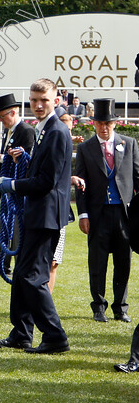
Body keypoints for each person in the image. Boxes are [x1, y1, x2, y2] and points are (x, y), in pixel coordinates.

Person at [0, 79, 72, 354]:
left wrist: (11, 184)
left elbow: (46, 181)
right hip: (37, 212)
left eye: (44, 100)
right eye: (34, 100)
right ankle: (22, 333)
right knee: (24, 273)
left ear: (55, 101)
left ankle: (55, 335)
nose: (38, 105)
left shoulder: (57, 132)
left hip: (47, 214)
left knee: (32, 277)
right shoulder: (43, 129)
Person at [75, 98, 139, 323]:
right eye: (100, 123)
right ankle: (98, 307)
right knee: (97, 262)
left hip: (124, 215)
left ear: (115, 123)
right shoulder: (85, 148)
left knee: (124, 262)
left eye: (108, 123)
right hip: (98, 214)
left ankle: (121, 308)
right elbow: (80, 184)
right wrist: (83, 214)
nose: (104, 127)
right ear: (94, 124)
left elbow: (138, 179)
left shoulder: (129, 144)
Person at [0, 94, 35, 277]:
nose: (1, 121)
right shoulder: (8, 131)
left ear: (13, 112)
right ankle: (2, 264)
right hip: (6, 187)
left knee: (14, 227)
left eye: (3, 116)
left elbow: (26, 159)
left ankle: (11, 264)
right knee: (4, 224)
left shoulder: (26, 131)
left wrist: (2, 158)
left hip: (17, 189)